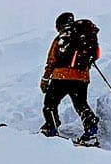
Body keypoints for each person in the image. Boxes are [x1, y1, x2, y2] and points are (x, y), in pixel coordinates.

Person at [41, 12, 101, 143]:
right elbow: (96, 55)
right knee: (81, 104)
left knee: (50, 104)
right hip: (81, 78)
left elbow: (51, 61)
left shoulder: (60, 38)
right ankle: (91, 130)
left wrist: (45, 79)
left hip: (61, 77)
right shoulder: (84, 35)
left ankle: (51, 129)